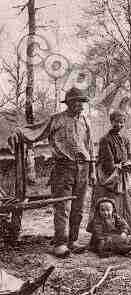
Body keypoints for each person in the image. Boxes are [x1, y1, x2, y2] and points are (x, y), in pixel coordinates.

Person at [13, 87, 95, 258]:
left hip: (83, 168)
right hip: (63, 168)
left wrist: (92, 170)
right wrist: (18, 132)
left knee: (78, 208)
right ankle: (60, 243)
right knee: (62, 206)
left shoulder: (85, 121)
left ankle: (73, 240)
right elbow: (33, 131)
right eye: (77, 102)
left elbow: (90, 147)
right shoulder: (56, 120)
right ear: (69, 103)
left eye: (82, 102)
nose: (80, 105)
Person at [87, 111, 131, 238]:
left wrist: (128, 164)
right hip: (108, 177)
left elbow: (129, 157)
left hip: (121, 175)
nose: (119, 124)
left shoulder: (125, 140)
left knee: (123, 202)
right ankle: (103, 233)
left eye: (121, 122)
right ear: (111, 122)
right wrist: (118, 167)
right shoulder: (105, 140)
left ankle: (123, 230)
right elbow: (108, 163)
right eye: (116, 122)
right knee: (108, 203)